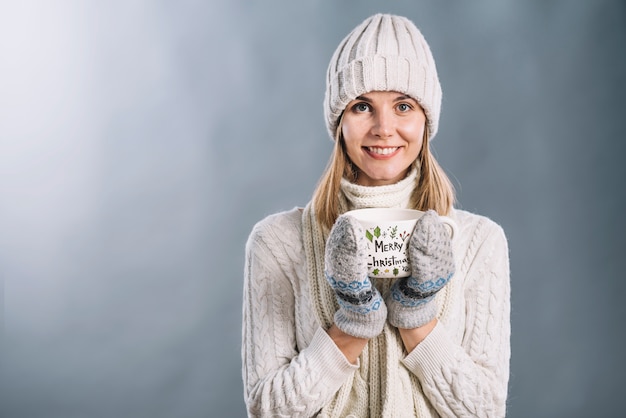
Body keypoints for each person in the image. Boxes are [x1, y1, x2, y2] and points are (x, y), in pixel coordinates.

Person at [241, 13, 510, 417]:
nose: (384, 128)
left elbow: (485, 410)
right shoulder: (278, 242)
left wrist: (418, 313)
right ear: (339, 122)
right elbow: (268, 409)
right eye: (363, 106)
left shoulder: (477, 241)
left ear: (425, 119)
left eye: (403, 106)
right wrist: (351, 320)